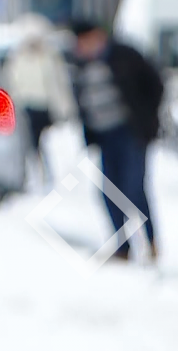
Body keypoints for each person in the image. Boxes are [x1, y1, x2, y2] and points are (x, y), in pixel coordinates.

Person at [67, 19, 165, 263]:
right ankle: (122, 246)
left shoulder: (124, 56)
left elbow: (155, 84)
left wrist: (146, 117)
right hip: (105, 136)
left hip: (131, 132)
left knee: (133, 188)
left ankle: (151, 240)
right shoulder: (80, 66)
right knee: (109, 191)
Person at [2, 15, 75, 190]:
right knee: (29, 142)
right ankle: (33, 174)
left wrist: (65, 108)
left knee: (45, 142)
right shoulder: (16, 57)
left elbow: (59, 83)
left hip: (45, 108)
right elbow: (10, 82)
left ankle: (46, 173)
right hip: (25, 107)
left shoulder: (50, 57)